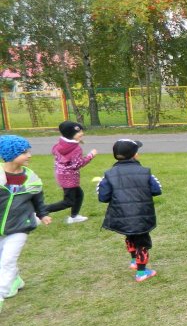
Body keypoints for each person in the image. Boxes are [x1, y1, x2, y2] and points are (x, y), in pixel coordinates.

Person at [97, 139, 162, 282]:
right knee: (142, 243)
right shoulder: (145, 172)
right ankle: (141, 273)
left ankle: (134, 261)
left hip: (121, 215)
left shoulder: (109, 174)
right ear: (134, 154)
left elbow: (103, 197)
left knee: (130, 236)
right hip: (141, 215)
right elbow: (157, 190)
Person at [0, 136, 52, 313]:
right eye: (24, 152)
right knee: (2, 259)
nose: (29, 155)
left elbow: (38, 199)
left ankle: (0, 294)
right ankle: (15, 279)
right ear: (10, 154)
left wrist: (43, 214)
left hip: (20, 226)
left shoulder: (31, 178)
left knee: (8, 260)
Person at [44, 121, 97, 223]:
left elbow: (54, 151)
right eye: (78, 132)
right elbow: (77, 164)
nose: (81, 133)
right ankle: (42, 210)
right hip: (69, 178)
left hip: (61, 175)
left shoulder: (61, 144)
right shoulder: (76, 149)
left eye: (81, 131)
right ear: (70, 134)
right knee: (68, 202)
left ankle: (74, 216)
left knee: (79, 195)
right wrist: (91, 155)